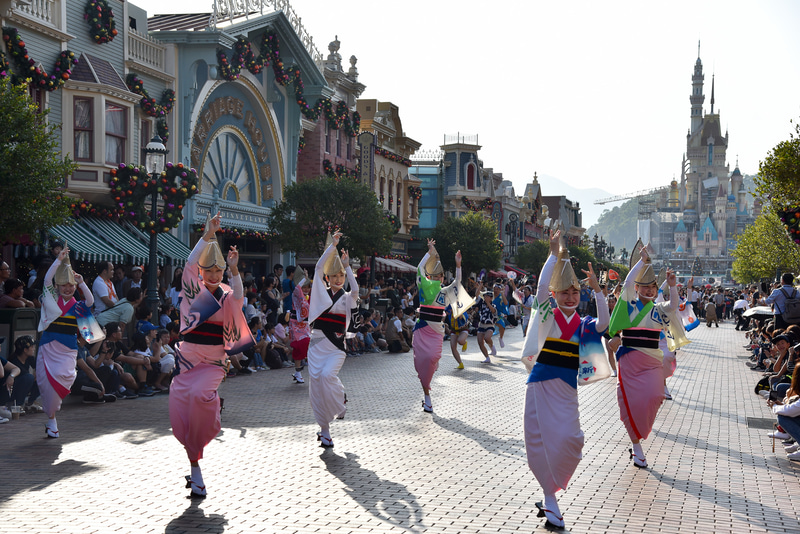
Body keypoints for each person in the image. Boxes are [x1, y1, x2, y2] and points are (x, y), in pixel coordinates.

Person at [520, 229, 610, 530]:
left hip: (567, 389)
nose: (570, 297)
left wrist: (598, 290)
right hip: (541, 383)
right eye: (565, 292)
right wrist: (552, 254)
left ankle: (550, 499)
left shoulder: (583, 324)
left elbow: (605, 323)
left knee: (571, 440)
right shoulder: (547, 313)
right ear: (556, 295)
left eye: (575, 292)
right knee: (541, 440)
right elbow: (542, 286)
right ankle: (550, 499)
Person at [170, 213, 254, 498]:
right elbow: (188, 264)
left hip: (214, 362)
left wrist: (234, 270)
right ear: (202, 272)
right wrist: (207, 235)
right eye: (210, 271)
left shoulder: (228, 294)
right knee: (182, 410)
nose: (215, 276)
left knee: (200, 397)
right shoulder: (193, 292)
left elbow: (240, 298)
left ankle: (214, 408)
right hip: (188, 359)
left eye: (219, 271)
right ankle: (195, 469)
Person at [608, 241, 689, 469]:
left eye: (653, 287)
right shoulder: (629, 306)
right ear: (637, 288)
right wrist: (642, 263)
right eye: (644, 286)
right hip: (630, 360)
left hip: (653, 361)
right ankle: (637, 447)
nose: (649, 290)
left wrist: (672, 286)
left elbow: (674, 304)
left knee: (655, 396)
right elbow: (626, 284)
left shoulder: (658, 309)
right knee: (629, 402)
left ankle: (638, 440)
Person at [36, 247, 100, 438]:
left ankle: (52, 417)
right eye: (64, 285)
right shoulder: (51, 299)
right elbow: (47, 280)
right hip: (48, 346)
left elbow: (90, 300)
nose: (68, 288)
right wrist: (58, 260)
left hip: (68, 349)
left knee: (66, 376)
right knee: (46, 384)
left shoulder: (78, 306)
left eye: (71, 285)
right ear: (57, 287)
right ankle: (51, 420)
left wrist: (81, 283)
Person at [307, 231, 357, 448]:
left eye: (341, 276)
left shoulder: (347, 298)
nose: (338, 279)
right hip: (317, 344)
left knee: (328, 376)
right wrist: (332, 247)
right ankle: (324, 431)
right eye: (334, 276)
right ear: (327, 278)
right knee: (317, 386)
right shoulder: (319, 293)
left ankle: (340, 401)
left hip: (336, 347)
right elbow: (318, 268)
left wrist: (347, 266)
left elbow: (355, 289)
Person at [413, 239, 466, 412]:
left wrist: (458, 265)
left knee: (433, 357)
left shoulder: (445, 292)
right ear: (430, 277)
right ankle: (427, 397)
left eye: (440, 276)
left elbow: (457, 284)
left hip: (436, 332)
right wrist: (430, 252)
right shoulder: (423, 286)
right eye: (434, 276)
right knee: (423, 363)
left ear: (443, 277)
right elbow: (419, 269)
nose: (438, 278)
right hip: (422, 329)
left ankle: (428, 386)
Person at [289, 268, 311, 383]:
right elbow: (298, 287)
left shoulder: (309, 297)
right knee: (299, 346)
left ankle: (299, 371)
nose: (306, 289)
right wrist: (305, 279)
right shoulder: (296, 293)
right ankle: (298, 372)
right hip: (296, 324)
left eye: (308, 287)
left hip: (305, 324)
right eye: (304, 287)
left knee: (307, 344)